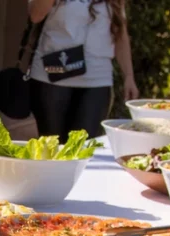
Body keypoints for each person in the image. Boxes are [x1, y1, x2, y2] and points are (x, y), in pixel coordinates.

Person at [27, 0, 138, 141]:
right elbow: (35, 16)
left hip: (97, 79)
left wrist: (128, 76)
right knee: (52, 149)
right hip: (52, 75)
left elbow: (120, 34)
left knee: (83, 149)